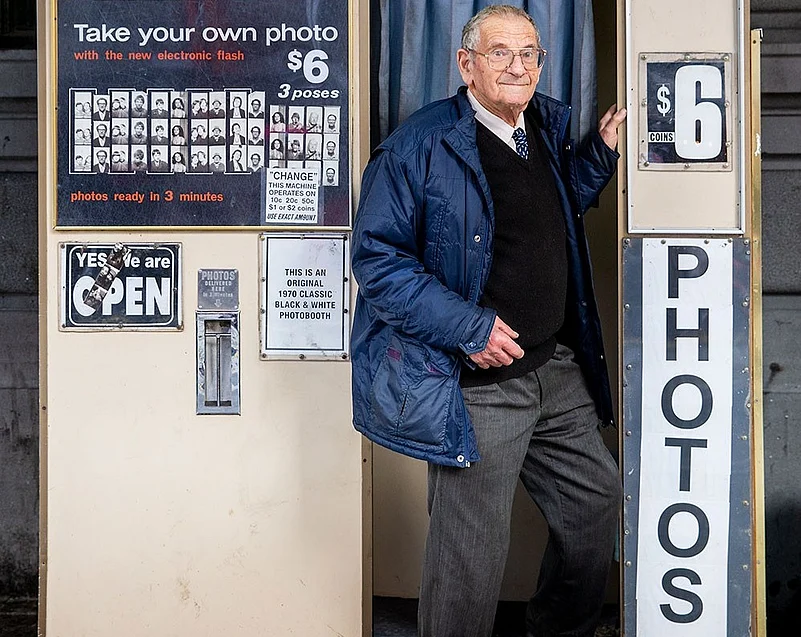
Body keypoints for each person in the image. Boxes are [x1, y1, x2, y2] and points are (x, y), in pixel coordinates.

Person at [349, 6, 627, 637]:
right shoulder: (419, 145)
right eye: (500, 53)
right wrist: (468, 329)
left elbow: (547, 212)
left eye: (530, 53)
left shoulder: (539, 132)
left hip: (555, 371)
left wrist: (599, 156)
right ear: (464, 64)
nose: (518, 66)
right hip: (480, 382)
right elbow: (378, 262)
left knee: (595, 504)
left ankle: (557, 628)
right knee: (468, 557)